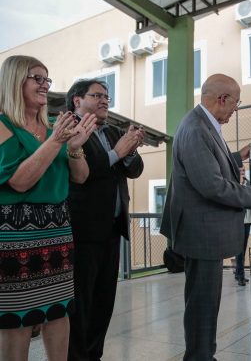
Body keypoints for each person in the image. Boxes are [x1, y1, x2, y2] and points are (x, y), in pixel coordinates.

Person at [160, 74, 251, 361]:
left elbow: (211, 163)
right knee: (202, 303)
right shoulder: (196, 128)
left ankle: (203, 354)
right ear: (222, 99)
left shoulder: (204, 123)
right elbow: (211, 184)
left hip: (204, 230)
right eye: (235, 104)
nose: (235, 110)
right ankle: (199, 357)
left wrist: (238, 156)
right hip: (201, 232)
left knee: (205, 301)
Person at [0, 55, 97, 360]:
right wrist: (56, 142)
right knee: (17, 318)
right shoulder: (3, 125)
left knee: (58, 310)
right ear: (15, 81)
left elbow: (81, 177)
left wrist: (74, 146)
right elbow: (19, 181)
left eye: (47, 79)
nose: (45, 85)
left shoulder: (56, 126)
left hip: (57, 228)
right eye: (36, 78)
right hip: (16, 233)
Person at [66, 79, 145, 361]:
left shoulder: (112, 131)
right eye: (96, 95)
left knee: (103, 303)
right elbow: (81, 175)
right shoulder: (69, 129)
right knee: (81, 304)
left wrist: (132, 149)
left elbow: (134, 170)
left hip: (112, 229)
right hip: (82, 231)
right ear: (77, 101)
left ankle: (94, 354)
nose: (104, 101)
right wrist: (118, 153)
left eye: (107, 97)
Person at [235, 167, 251, 286]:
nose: (243, 172)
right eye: (240, 171)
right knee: (239, 250)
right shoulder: (235, 184)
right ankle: (240, 276)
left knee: (243, 248)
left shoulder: (249, 184)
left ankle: (238, 274)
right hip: (239, 221)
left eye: (243, 170)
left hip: (248, 220)